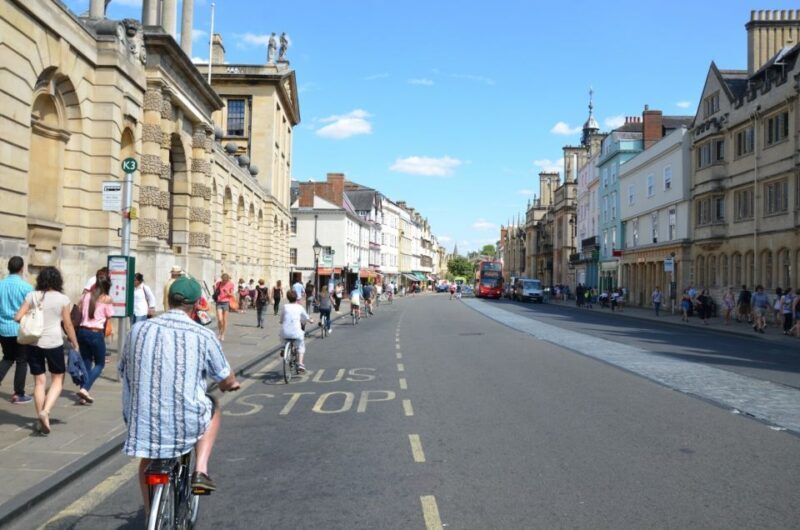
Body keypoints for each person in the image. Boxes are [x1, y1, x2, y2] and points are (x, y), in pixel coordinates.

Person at [119, 275, 240, 510]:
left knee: (149, 459)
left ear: (168, 299)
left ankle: (150, 516)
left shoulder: (137, 330)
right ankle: (201, 470)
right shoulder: (203, 335)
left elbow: (123, 368)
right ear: (196, 305)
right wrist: (230, 384)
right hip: (184, 421)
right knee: (213, 406)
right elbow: (225, 377)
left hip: (142, 420)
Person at [14, 267, 78, 434]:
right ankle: (46, 411)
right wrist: (74, 342)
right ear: (58, 280)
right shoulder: (63, 299)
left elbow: (18, 317)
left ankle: (41, 419)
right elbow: (67, 325)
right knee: (57, 380)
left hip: (33, 343)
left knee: (39, 382)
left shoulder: (32, 296)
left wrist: (31, 318)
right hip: (54, 343)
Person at [0, 256, 33, 404]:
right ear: (21, 268)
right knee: (21, 360)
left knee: (7, 357)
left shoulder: (0, 285)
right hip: (20, 328)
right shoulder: (27, 287)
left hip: (3, 328)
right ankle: (18, 393)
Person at [77, 275, 113, 404]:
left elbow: (79, 310)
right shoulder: (106, 299)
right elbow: (110, 315)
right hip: (96, 333)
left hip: (82, 331)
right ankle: (85, 388)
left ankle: (83, 395)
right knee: (100, 364)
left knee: (86, 362)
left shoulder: (85, 296)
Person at [280, 290, 311, 372]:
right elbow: (306, 317)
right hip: (296, 333)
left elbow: (282, 318)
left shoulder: (285, 307)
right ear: (296, 298)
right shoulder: (299, 307)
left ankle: (283, 347)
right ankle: (300, 363)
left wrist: (281, 321)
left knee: (281, 334)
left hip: (285, 333)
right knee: (301, 346)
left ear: (288, 298)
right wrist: (310, 320)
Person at [214, 273, 235, 341]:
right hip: (219, 302)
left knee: (225, 320)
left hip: (226, 303)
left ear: (227, 280)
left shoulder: (231, 284)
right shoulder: (218, 283)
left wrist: (227, 293)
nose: (224, 282)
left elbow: (232, 295)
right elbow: (216, 291)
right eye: (223, 280)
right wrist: (214, 289)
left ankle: (223, 334)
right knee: (220, 319)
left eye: (225, 281)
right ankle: (220, 333)